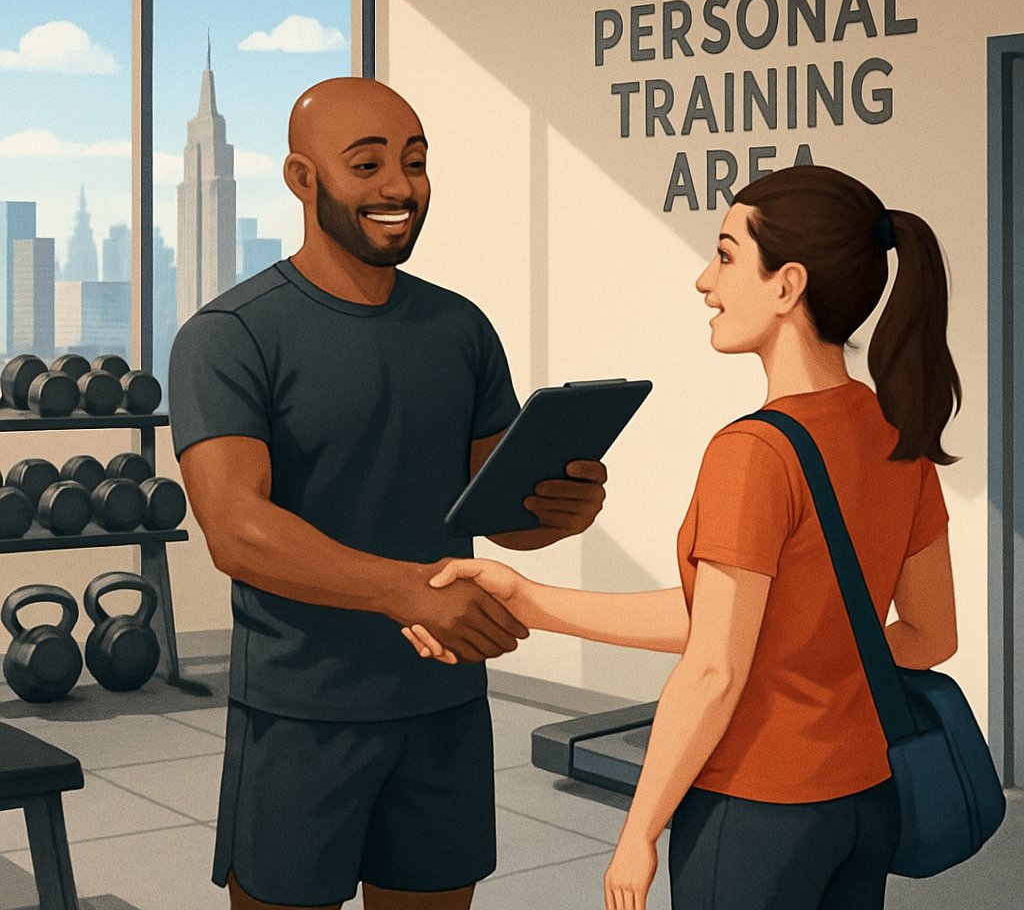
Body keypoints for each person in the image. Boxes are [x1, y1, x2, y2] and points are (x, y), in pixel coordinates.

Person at [404, 164, 961, 910]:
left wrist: (640, 830)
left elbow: (713, 672)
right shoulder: (897, 431)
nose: (706, 280)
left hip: (756, 810)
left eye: (727, 255)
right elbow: (929, 635)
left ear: (787, 286)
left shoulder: (755, 453)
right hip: (866, 800)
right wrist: (528, 598)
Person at [168, 76, 609, 910]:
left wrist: (555, 511)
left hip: (445, 699)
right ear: (304, 180)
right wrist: (404, 589)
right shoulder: (229, 337)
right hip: (304, 712)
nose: (399, 188)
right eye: (366, 165)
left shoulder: (460, 328)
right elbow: (236, 530)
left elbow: (497, 512)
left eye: (414, 162)